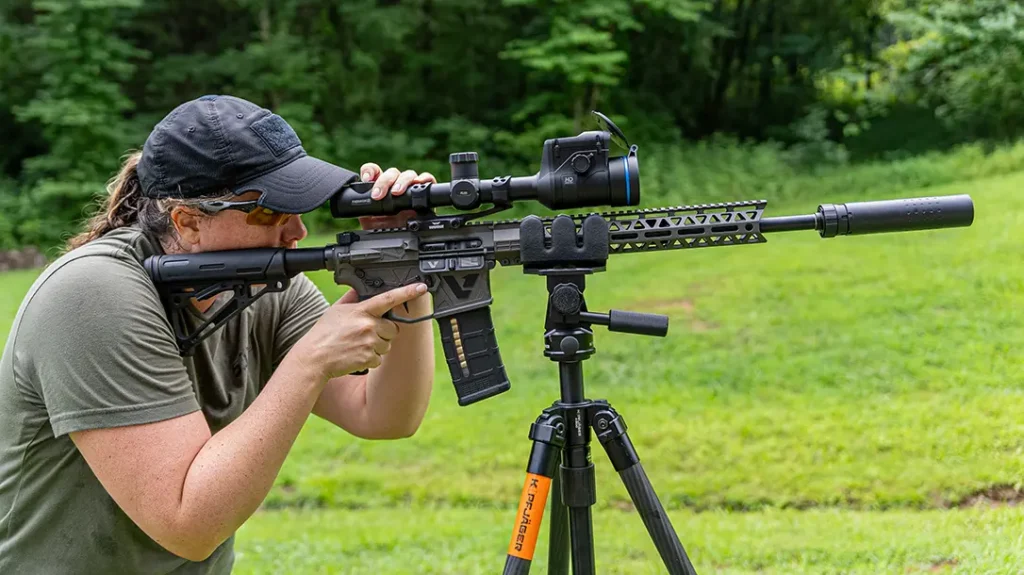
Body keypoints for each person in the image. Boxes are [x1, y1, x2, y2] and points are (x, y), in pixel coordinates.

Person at [0, 95, 437, 573]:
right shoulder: (92, 294)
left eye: (299, 206)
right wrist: (309, 363)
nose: (298, 230)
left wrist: (402, 265)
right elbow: (189, 524)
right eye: (271, 213)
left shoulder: (265, 283)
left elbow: (383, 415)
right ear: (188, 222)